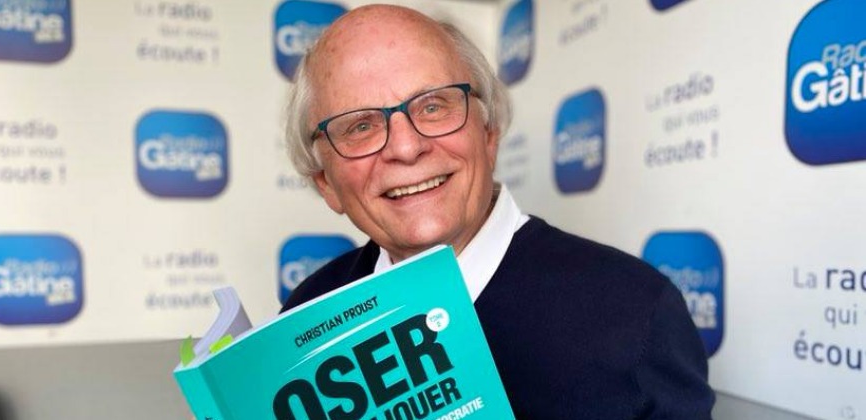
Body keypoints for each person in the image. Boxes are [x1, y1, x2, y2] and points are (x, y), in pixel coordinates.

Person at [282, 4, 715, 418]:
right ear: (326, 183)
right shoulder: (305, 318)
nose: (407, 147)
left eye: (432, 106)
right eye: (360, 126)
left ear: (488, 134)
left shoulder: (637, 312)